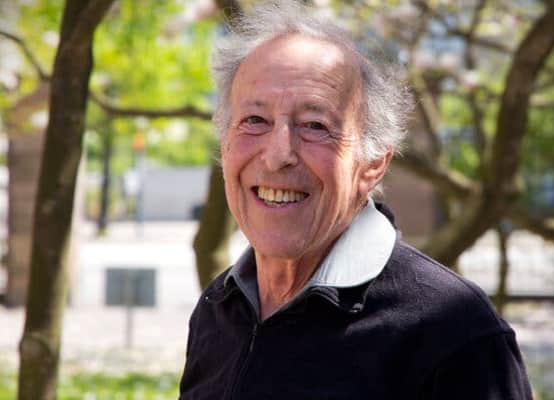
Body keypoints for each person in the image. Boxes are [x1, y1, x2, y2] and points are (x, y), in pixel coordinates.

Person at [180, 1, 533, 399]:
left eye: (315, 126)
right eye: (255, 120)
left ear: (374, 165)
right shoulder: (217, 309)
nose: (279, 155)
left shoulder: (455, 334)